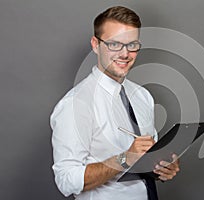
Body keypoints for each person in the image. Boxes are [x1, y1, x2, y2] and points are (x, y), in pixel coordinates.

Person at [50, 6, 180, 200]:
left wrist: (161, 167)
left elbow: (145, 159)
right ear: (96, 45)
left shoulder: (142, 96)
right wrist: (124, 159)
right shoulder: (75, 104)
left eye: (132, 45)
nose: (125, 54)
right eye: (114, 45)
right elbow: (66, 180)